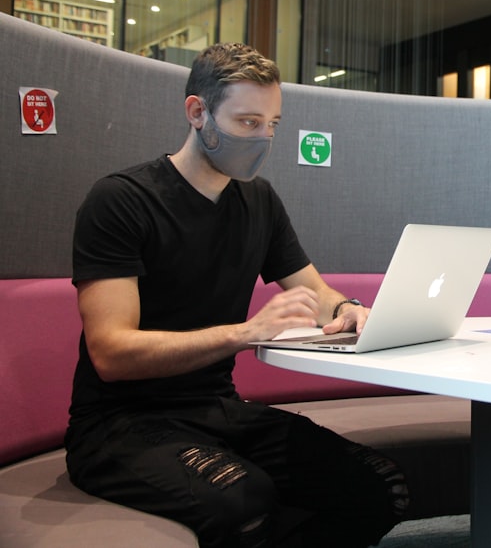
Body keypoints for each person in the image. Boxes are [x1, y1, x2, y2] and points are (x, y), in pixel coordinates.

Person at [65, 43, 408, 547]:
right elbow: (112, 353)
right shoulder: (121, 201)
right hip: (119, 426)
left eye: (273, 124)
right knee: (242, 501)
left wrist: (347, 308)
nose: (264, 138)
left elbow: (311, 288)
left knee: (381, 486)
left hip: (216, 409)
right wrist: (246, 334)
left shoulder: (259, 200)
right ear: (197, 111)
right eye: (248, 122)